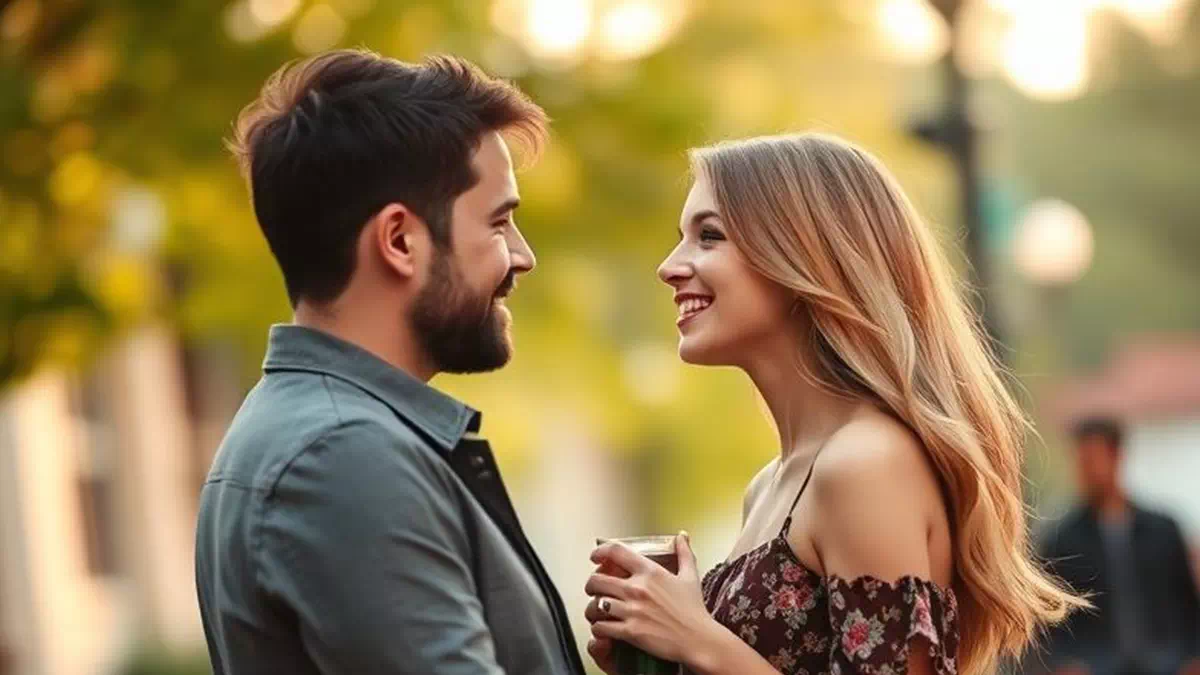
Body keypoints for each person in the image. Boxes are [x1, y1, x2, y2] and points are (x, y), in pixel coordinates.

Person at [582, 133, 1084, 675]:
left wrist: (696, 639)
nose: (670, 266)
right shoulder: (769, 486)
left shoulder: (867, 464)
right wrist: (667, 653)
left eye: (709, 236)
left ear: (802, 256)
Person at [194, 49, 587, 675]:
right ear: (400, 240)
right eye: (499, 222)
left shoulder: (317, 433)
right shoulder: (343, 454)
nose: (522, 256)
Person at [1034, 416, 1200, 675]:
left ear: (1116, 456)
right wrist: (1065, 663)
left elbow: (1187, 605)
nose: (1086, 472)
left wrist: (1191, 657)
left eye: (1092, 460)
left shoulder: (1163, 530)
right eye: (1081, 462)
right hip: (1096, 667)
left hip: (1166, 664)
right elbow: (1050, 618)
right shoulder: (1062, 540)